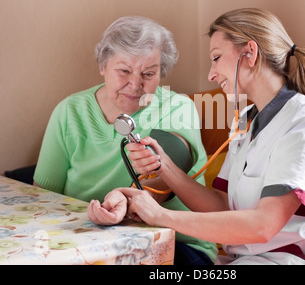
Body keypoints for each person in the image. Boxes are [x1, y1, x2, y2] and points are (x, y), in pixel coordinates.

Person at [87, 8, 305, 265]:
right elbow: (221, 205)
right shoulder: (247, 121)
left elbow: (263, 226)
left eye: (216, 57)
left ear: (249, 53)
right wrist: (164, 166)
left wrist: (160, 215)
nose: (211, 74)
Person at [33, 16, 218, 265]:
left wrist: (123, 204)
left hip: (174, 242)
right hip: (84, 242)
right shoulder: (70, 111)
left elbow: (161, 183)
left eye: (149, 73)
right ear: (103, 66)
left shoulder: (178, 108)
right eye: (124, 71)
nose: (135, 85)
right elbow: (43, 196)